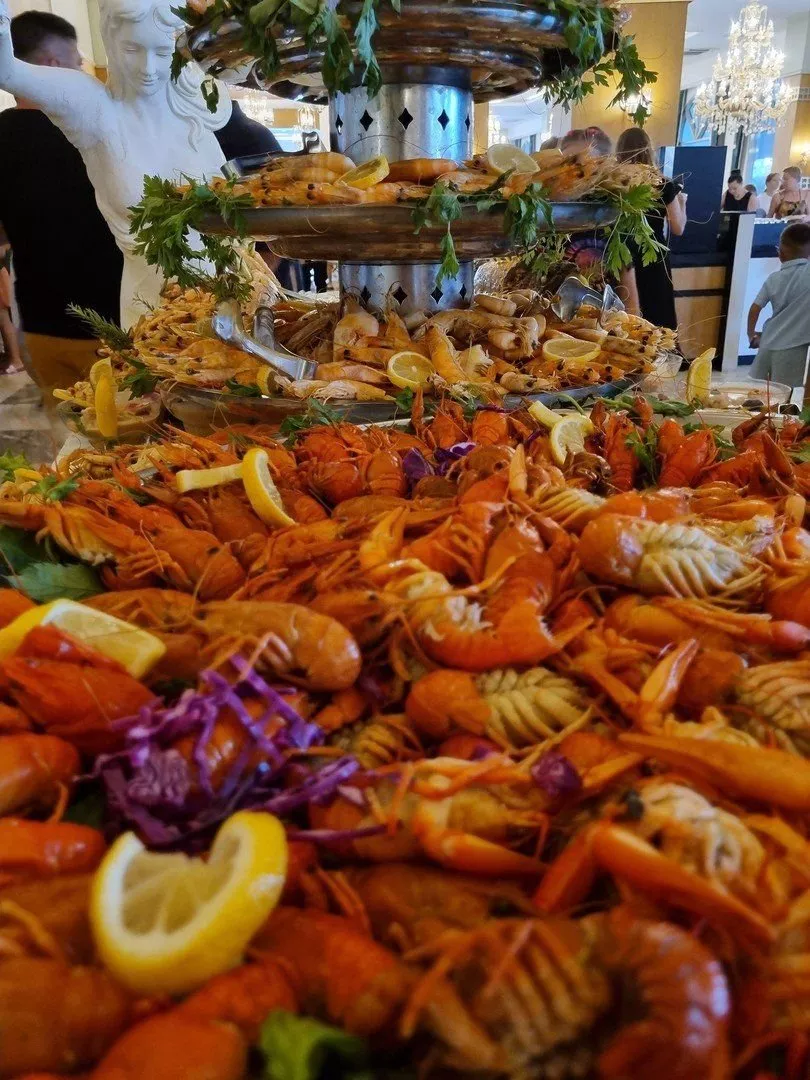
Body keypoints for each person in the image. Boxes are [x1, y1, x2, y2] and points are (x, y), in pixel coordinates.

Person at [0, 0, 231, 326]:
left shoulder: (194, 108)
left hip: (230, 305)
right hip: (153, 316)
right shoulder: (95, 108)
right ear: (110, 41)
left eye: (162, 53)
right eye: (132, 49)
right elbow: (7, 71)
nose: (148, 69)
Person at [0, 12, 122, 406]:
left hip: (39, 325)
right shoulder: (96, 130)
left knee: (71, 434)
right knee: (135, 434)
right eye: (77, 63)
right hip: (114, 323)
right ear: (53, 66)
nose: (82, 72)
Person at [615, 127, 686, 330]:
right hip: (653, 254)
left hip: (621, 253)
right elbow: (678, 227)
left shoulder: (614, 184)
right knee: (658, 316)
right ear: (649, 150)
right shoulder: (663, 184)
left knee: (626, 319)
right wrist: (682, 203)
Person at [747, 220, 810, 389]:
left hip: (767, 342)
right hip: (794, 348)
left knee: (759, 392)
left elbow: (755, 308)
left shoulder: (773, 278)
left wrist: (752, 335)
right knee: (785, 394)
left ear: (780, 254)